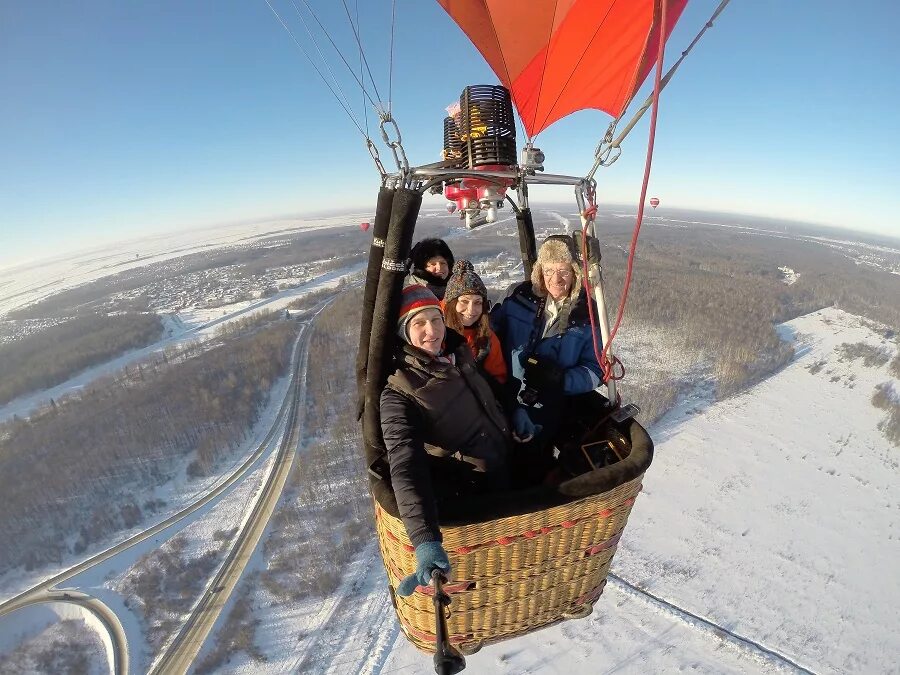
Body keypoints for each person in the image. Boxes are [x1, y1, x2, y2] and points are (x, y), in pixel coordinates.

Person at [381, 284, 510, 596]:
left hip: (504, 459)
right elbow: (404, 464)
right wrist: (425, 540)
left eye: (436, 320)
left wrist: (514, 415)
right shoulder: (399, 392)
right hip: (477, 490)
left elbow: (483, 399)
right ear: (403, 333)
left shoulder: (457, 353)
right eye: (419, 324)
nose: (432, 331)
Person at [491, 236, 603, 478]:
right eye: (549, 270)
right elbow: (490, 330)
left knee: (530, 464)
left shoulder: (588, 313)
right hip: (505, 394)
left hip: (546, 406)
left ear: (574, 273)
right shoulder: (518, 295)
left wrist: (561, 380)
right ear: (539, 271)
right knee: (493, 458)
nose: (555, 279)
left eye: (563, 270)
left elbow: (596, 369)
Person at [442, 259, 508, 390]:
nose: (471, 310)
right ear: (452, 303)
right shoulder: (436, 331)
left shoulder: (487, 339)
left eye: (477, 302)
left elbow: (499, 379)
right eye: (464, 301)